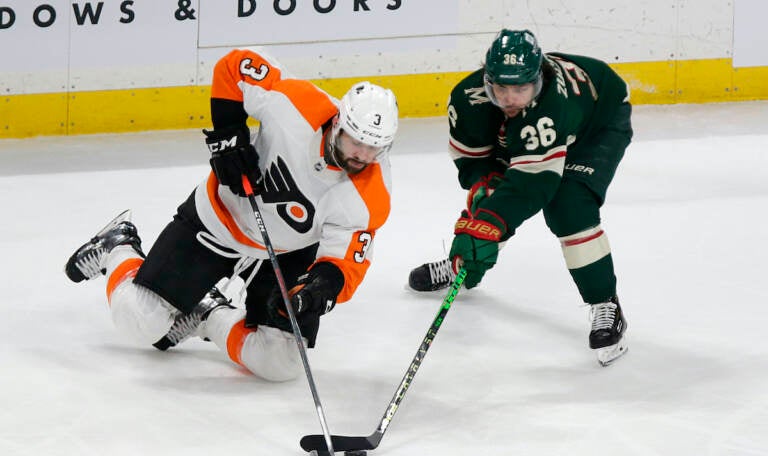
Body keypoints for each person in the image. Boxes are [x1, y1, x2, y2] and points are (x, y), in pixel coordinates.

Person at [64, 48, 398, 381]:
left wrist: (318, 291)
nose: (363, 155)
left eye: (375, 148)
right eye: (356, 142)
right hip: (218, 222)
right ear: (338, 121)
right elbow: (235, 66)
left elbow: (345, 263)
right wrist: (229, 134)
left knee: (280, 365)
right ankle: (118, 245)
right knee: (139, 322)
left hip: (285, 252)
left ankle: (209, 314)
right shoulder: (296, 104)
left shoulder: (372, 194)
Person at [407, 29, 632, 366]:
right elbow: (471, 160)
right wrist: (485, 190)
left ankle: (606, 304)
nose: (509, 98)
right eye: (500, 88)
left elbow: (534, 185)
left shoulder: (552, 106)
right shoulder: (467, 100)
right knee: (492, 200)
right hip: (537, 136)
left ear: (538, 79)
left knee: (568, 207)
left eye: (520, 89)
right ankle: (465, 269)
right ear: (487, 80)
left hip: (596, 124)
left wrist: (488, 222)